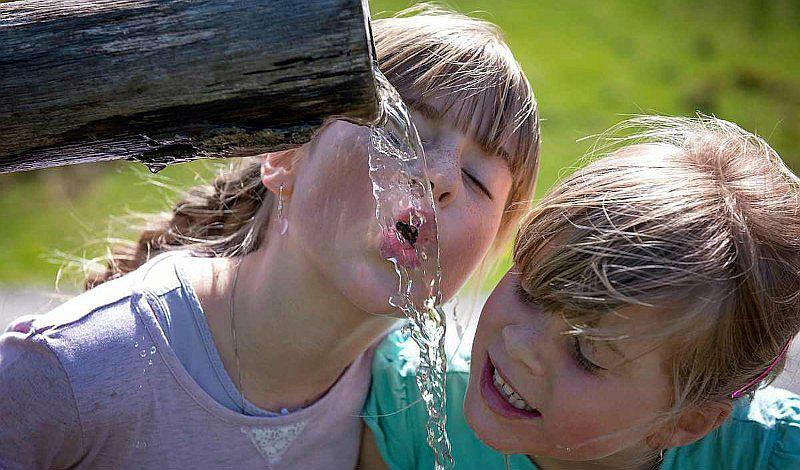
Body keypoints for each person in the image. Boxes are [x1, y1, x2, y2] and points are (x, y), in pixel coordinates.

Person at [0, 7, 541, 469]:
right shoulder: (70, 372)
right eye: (402, 132)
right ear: (283, 156)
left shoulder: (412, 411)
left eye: (477, 180)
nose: (439, 179)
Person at [362, 115, 800, 469]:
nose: (518, 345)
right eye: (531, 291)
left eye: (585, 353)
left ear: (687, 421)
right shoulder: (410, 409)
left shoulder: (771, 456)